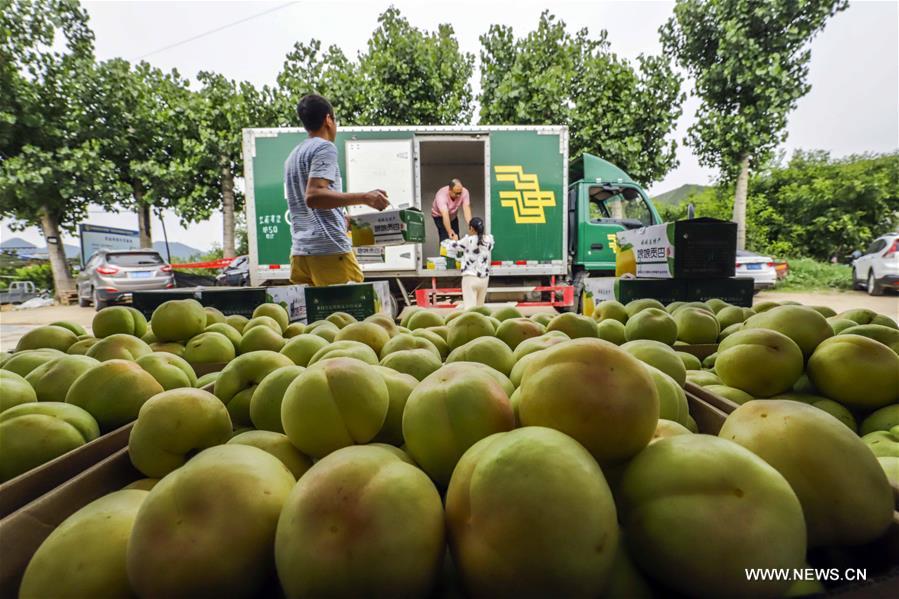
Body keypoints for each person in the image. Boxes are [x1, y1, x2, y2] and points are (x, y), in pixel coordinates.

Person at [284, 94, 389, 286]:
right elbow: (314, 196)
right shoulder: (325, 147)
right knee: (351, 313)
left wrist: (340, 218)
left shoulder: (293, 155)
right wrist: (365, 197)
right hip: (329, 250)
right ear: (328, 119)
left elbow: (309, 205)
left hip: (300, 253)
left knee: (318, 316)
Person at [441, 217, 494, 309]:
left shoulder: (468, 240)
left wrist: (455, 239)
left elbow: (451, 246)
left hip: (470, 278)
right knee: (479, 309)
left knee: (470, 309)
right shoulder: (489, 240)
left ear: (471, 228)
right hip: (484, 279)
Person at [431, 179, 472, 246]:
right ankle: (444, 254)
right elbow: (445, 214)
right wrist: (450, 232)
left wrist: (471, 225)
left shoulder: (465, 192)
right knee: (445, 237)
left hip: (453, 216)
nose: (459, 196)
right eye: (456, 193)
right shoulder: (441, 196)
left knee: (456, 237)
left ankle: (457, 254)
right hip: (440, 216)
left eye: (460, 193)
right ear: (450, 190)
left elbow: (466, 208)